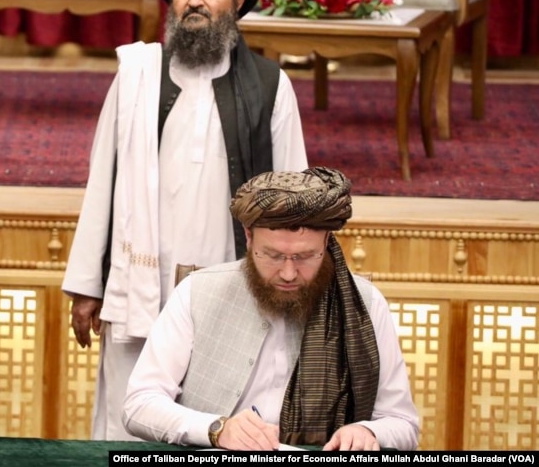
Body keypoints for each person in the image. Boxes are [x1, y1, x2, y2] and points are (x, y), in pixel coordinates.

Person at [61, 0, 308, 440]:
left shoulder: (269, 86)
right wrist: (87, 286)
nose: (194, 0)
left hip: (231, 288)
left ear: (237, 0)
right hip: (139, 288)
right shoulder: (136, 76)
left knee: (222, 422)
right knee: (131, 418)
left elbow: (294, 197)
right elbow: (101, 182)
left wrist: (292, 283)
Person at [122, 167, 420, 451]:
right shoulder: (196, 292)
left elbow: (403, 423)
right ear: (249, 238)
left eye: (304, 257)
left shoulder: (364, 304)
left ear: (327, 242)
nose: (289, 273)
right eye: (273, 256)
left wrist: (369, 432)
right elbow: (140, 404)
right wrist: (215, 429)